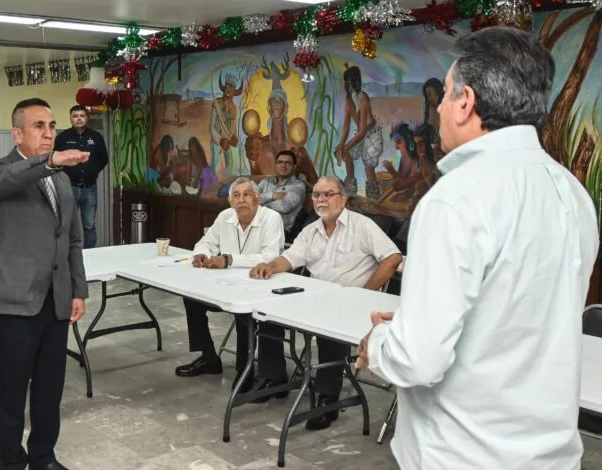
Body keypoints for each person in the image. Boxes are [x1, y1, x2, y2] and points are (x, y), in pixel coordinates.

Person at [355, 27, 599, 470]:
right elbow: (519, 317)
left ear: (466, 102)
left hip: (465, 453)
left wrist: (380, 342)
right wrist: (419, 321)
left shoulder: (455, 198)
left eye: (446, 95)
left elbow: (418, 361)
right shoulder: (572, 193)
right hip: (551, 455)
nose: (442, 108)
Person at [0, 98, 90, 470]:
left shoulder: (61, 179)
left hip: (55, 301)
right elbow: (6, 180)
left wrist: (78, 290)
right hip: (14, 304)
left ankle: (43, 456)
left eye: (52, 126)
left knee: (48, 391)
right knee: (11, 394)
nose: (49, 133)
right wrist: (51, 161)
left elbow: (72, 239)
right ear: (17, 133)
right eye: (39, 126)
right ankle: (11, 463)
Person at [250, 176, 402, 430]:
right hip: (315, 297)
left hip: (349, 302)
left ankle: (326, 398)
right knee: (268, 314)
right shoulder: (311, 230)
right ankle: (274, 378)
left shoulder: (362, 226)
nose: (322, 199)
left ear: (343, 199)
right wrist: (270, 266)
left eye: (328, 194)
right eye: (317, 195)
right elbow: (289, 258)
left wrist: (364, 293)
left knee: (328, 333)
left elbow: (392, 258)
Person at [175, 177, 285, 395]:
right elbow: (206, 243)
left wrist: (230, 260)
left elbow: (270, 256)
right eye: (236, 195)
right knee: (191, 298)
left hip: (259, 286)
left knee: (244, 314)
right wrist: (201, 255)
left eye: (246, 195)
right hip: (226, 285)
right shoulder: (225, 217)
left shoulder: (272, 218)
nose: (241, 200)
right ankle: (208, 359)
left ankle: (245, 371)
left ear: (257, 198)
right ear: (230, 200)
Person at [54, 104, 108, 248]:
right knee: (67, 225)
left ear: (87, 118)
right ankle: (68, 256)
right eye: (75, 116)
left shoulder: (96, 137)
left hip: (90, 188)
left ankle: (90, 256)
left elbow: (104, 159)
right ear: (70, 118)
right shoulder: (62, 138)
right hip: (69, 188)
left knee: (89, 225)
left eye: (82, 116)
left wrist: (93, 171)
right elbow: (55, 159)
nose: (78, 119)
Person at [335, 65, 383, 200]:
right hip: (361, 132)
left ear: (354, 82)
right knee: (348, 155)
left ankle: (373, 197)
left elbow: (362, 132)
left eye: (347, 82)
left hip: (372, 134)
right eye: (345, 82)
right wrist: (340, 145)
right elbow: (346, 126)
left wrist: (345, 147)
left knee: (369, 168)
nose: (345, 85)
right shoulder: (349, 100)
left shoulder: (363, 99)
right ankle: (350, 191)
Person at [257, 150, 306, 242]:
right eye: (280, 162)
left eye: (288, 163)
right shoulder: (266, 181)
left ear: (294, 167)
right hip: (258, 226)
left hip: (280, 231)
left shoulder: (298, 186)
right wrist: (273, 195)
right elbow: (251, 199)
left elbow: (284, 207)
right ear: (276, 165)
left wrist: (262, 203)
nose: (283, 165)